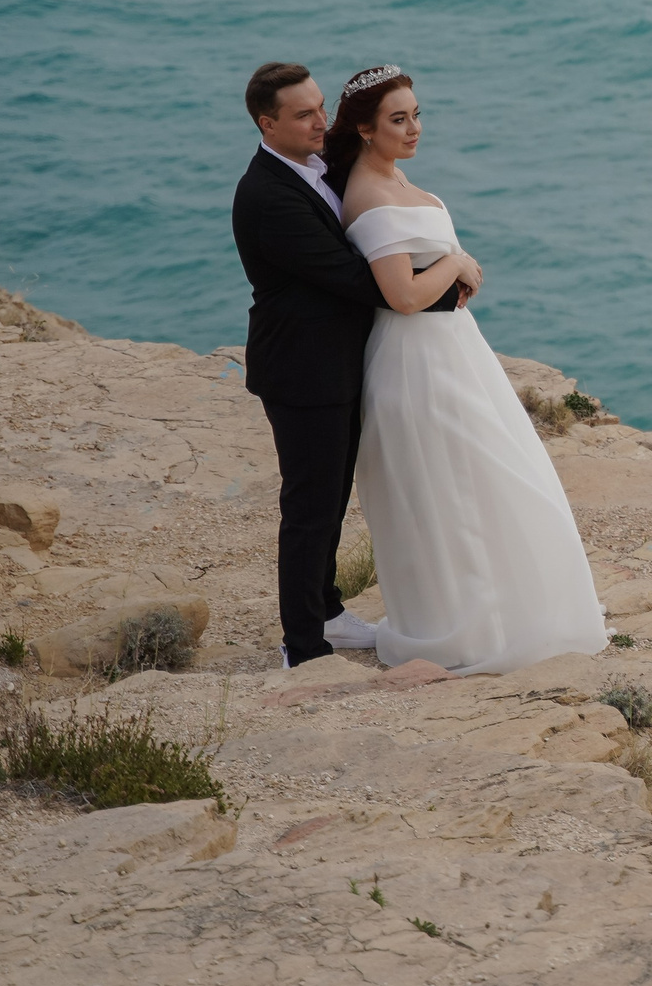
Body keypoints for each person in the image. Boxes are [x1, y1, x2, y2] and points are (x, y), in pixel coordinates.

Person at [325, 64, 608, 673]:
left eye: (417, 115)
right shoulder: (368, 194)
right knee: (449, 491)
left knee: (498, 477)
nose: (413, 128)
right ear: (366, 130)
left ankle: (515, 614)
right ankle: (466, 629)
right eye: (398, 120)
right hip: (415, 362)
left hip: (455, 352)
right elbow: (400, 294)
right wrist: (454, 266)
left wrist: (453, 268)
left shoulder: (396, 179)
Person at [230, 62, 479, 668]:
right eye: (303, 114)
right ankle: (304, 646)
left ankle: (329, 613)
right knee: (310, 507)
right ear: (268, 124)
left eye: (321, 107)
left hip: (341, 364)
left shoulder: (321, 168)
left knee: (333, 497)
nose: (322, 121)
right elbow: (352, 276)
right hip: (303, 370)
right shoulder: (267, 195)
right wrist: (449, 276)